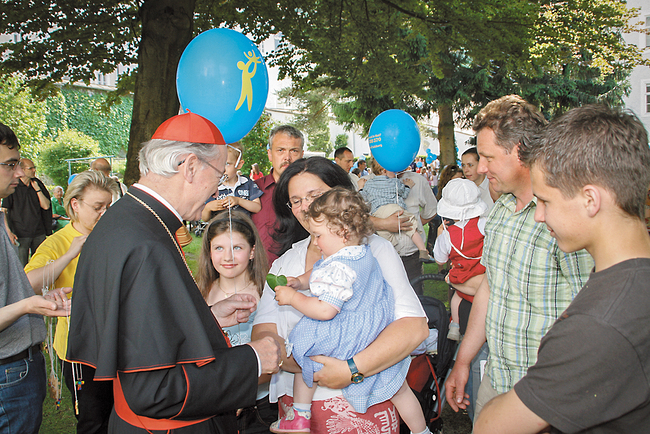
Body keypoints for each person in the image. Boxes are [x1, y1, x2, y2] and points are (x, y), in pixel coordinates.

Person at [67, 112, 281, 434]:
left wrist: (206, 317)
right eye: (219, 176)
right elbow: (155, 391)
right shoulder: (147, 244)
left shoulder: (126, 219)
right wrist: (252, 359)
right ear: (190, 166)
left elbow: (141, 331)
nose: (218, 191)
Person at [475, 105, 650, 432]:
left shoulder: (595, 326)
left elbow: (491, 426)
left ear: (590, 200)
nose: (539, 215)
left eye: (546, 201)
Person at [444, 95, 593, 422]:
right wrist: (464, 361)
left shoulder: (564, 218)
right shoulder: (499, 211)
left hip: (547, 395)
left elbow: (591, 314)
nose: (481, 168)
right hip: (497, 380)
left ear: (520, 150)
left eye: (487, 157)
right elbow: (490, 289)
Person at [253, 157, 428, 434]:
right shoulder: (284, 264)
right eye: (295, 200)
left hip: (364, 401)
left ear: (340, 195)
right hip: (296, 406)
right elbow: (264, 333)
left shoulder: (374, 251)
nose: (305, 207)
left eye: (315, 195)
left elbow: (414, 327)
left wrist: (351, 369)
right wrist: (300, 361)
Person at [24, 170, 118, 433]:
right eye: (98, 207)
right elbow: (28, 282)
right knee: (93, 421)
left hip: (119, 342)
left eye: (109, 206)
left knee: (120, 416)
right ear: (75, 205)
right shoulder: (58, 242)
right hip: (80, 351)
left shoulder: (112, 236)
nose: (104, 213)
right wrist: (69, 255)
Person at [0, 121, 73, 434]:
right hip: (8, 373)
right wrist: (27, 306)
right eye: (11, 164)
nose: (19, 173)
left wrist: (34, 301)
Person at [197, 210, 276, 434]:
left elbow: (277, 355)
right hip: (214, 406)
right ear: (209, 252)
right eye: (219, 248)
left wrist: (238, 391)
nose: (228, 257)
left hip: (259, 408)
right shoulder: (198, 295)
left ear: (252, 251)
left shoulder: (268, 294)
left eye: (237, 248)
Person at [433, 178, 487, 341]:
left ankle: (455, 325)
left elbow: (440, 259)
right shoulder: (485, 224)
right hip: (482, 271)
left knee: (457, 296)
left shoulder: (448, 235)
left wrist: (440, 236)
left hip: (462, 275)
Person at [251, 125, 305, 264]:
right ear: (270, 154)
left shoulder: (312, 192)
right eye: (280, 150)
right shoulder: (253, 190)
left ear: (302, 155)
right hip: (259, 275)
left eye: (294, 151)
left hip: (301, 275)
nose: (287, 157)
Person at [361, 158, 432, 262]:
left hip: (378, 213)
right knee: (411, 226)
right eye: (392, 170)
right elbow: (404, 193)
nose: (395, 172)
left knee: (384, 235)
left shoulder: (368, 183)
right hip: (394, 209)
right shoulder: (395, 182)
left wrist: (360, 188)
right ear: (384, 171)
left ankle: (391, 253)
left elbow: (363, 197)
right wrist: (408, 185)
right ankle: (423, 250)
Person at [2, 158, 52, 265]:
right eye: (31, 168)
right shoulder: (13, 185)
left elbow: (46, 206)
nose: (34, 170)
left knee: (40, 264)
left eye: (34, 168)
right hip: (20, 233)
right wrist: (8, 231)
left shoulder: (37, 183)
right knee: (21, 265)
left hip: (38, 231)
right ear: (22, 170)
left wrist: (37, 189)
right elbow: (4, 210)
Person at [202, 142, 263, 220]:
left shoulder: (247, 183)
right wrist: (208, 208)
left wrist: (238, 201)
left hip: (243, 229)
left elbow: (257, 207)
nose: (222, 169)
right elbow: (204, 218)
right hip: (221, 230)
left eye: (227, 164)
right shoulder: (213, 187)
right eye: (218, 164)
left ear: (239, 164)